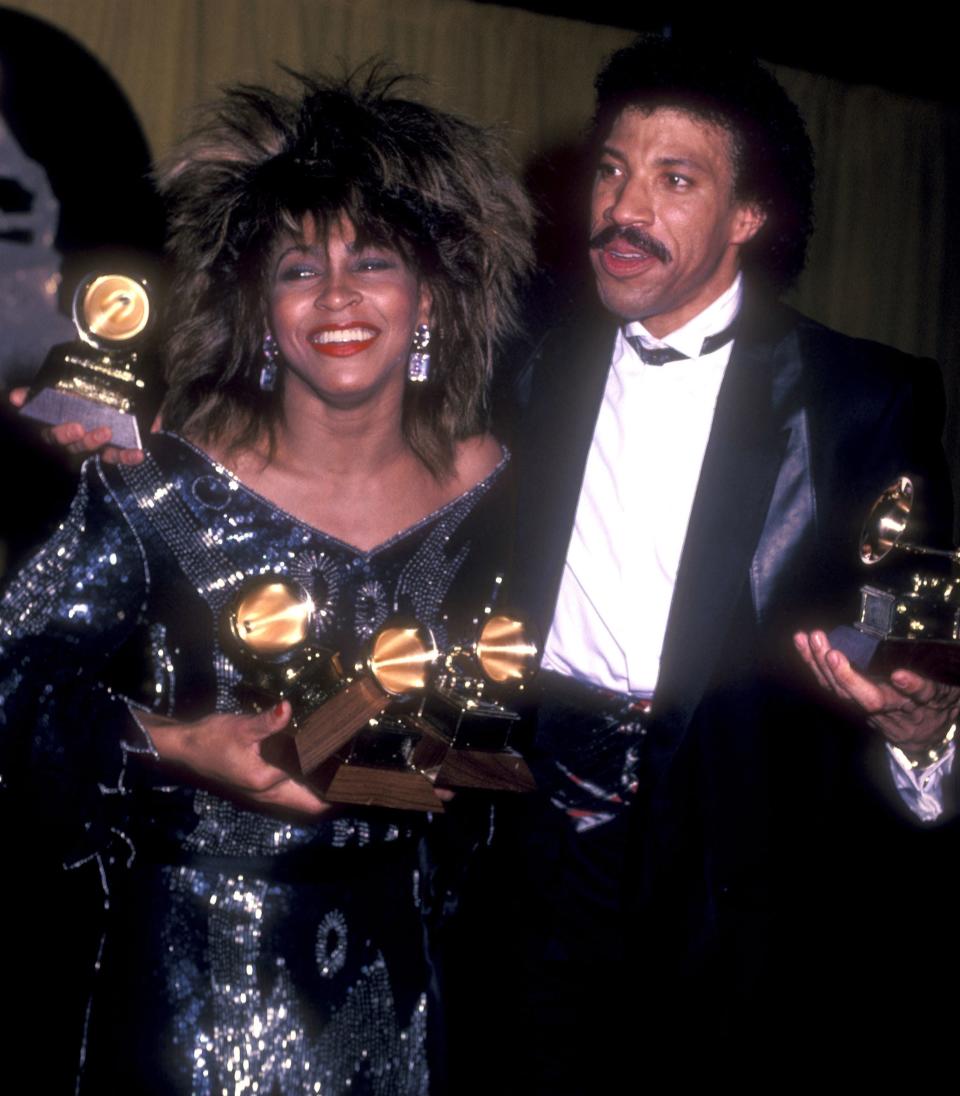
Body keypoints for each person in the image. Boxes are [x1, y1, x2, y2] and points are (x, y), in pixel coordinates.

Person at [0, 70, 533, 1094]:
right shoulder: (159, 485)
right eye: (298, 268)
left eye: (373, 261)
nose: (336, 298)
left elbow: (539, 749)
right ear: (258, 304)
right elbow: (12, 693)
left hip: (420, 999)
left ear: (430, 296)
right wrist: (172, 743)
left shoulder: (504, 494)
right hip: (189, 998)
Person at [465, 33, 957, 1090]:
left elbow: (905, 633)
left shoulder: (860, 397)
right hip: (540, 836)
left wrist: (927, 732)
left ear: (747, 218)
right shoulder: (529, 358)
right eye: (611, 169)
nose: (622, 207)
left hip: (743, 876)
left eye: (673, 179)